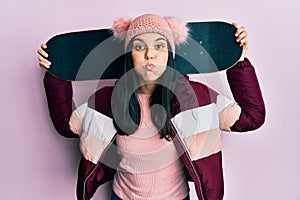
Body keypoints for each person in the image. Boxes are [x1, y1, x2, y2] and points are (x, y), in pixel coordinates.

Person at [38, 14, 265, 200]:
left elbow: (252, 117)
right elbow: (66, 125)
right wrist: (56, 73)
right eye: (139, 47)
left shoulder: (197, 97)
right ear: (129, 56)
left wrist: (239, 63)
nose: (150, 54)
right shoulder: (106, 101)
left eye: (159, 45)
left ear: (169, 55)